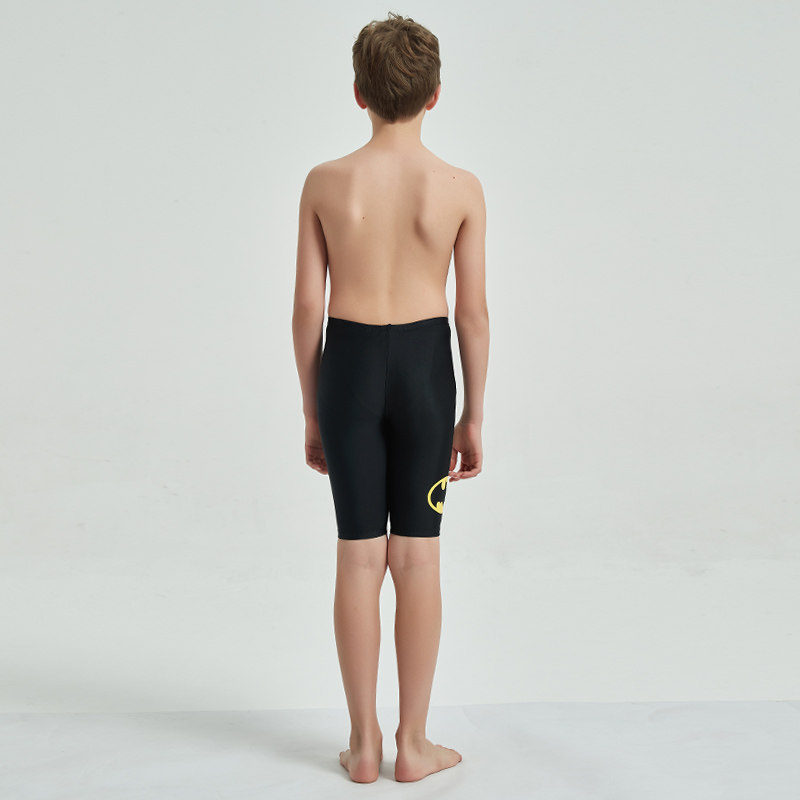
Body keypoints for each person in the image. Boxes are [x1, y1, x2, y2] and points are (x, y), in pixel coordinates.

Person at [292, 12, 489, 784]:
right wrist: (471, 413)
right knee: (418, 555)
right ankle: (414, 742)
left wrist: (312, 409)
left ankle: (363, 743)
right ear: (435, 95)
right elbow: (471, 314)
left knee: (356, 554)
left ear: (358, 92)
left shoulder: (324, 183)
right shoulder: (460, 189)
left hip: (345, 367)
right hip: (425, 372)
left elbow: (306, 310)